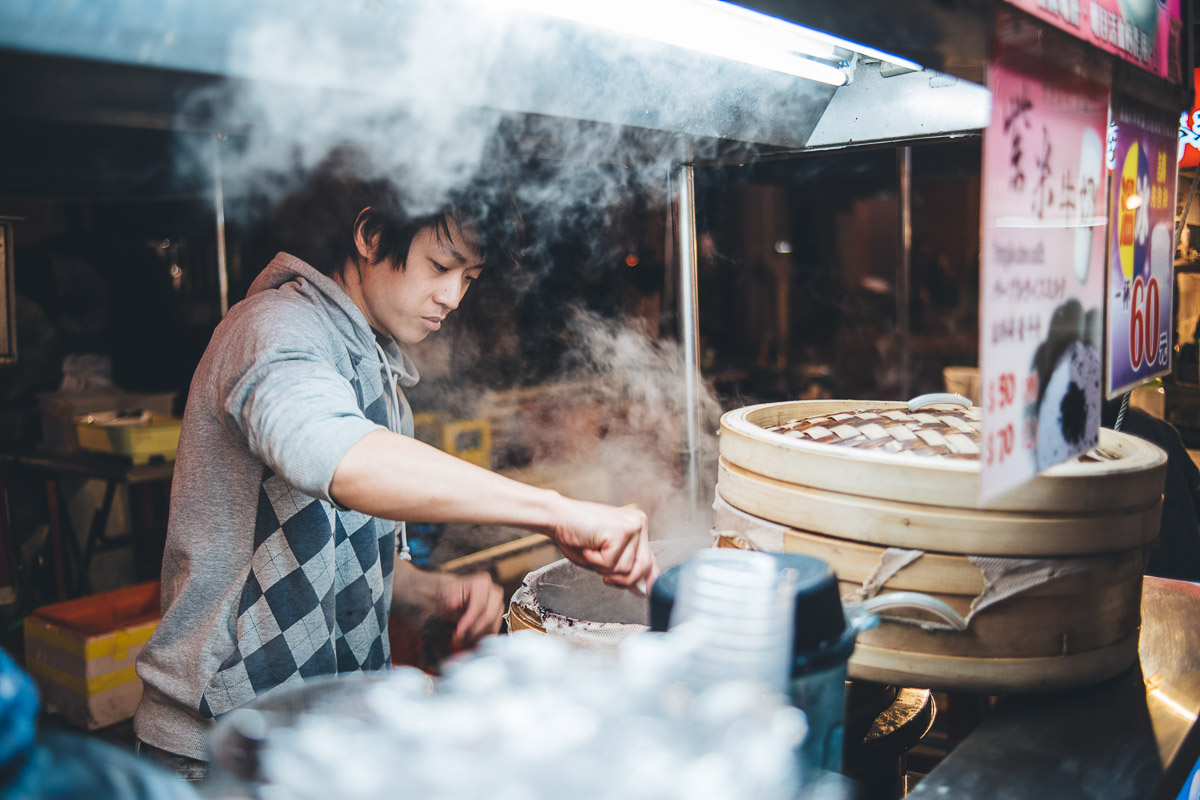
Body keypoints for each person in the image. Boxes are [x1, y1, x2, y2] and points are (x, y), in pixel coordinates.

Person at [133, 151, 659, 776]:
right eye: (440, 266)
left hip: (322, 741)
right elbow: (338, 459)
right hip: (217, 749)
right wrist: (554, 511)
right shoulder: (274, 331)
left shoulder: (380, 380)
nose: (453, 296)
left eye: (469, 277)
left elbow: (342, 560)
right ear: (370, 235)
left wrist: (429, 592)